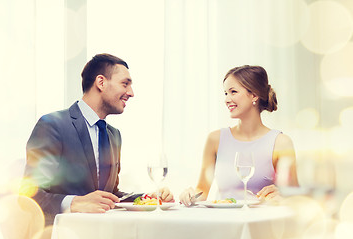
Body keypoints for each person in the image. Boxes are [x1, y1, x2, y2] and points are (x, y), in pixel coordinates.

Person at [23, 53, 173, 225]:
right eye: (125, 84)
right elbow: (30, 195)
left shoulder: (114, 135)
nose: (131, 93)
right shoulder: (52, 125)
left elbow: (111, 195)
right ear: (101, 82)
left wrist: (147, 198)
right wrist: (74, 202)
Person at [179, 65, 299, 206]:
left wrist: (283, 195)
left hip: (261, 223)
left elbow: (294, 196)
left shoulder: (280, 142)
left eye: (233, 92)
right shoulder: (215, 140)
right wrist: (189, 196)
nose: (227, 99)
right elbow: (202, 191)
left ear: (254, 95)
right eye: (225, 93)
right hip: (224, 222)